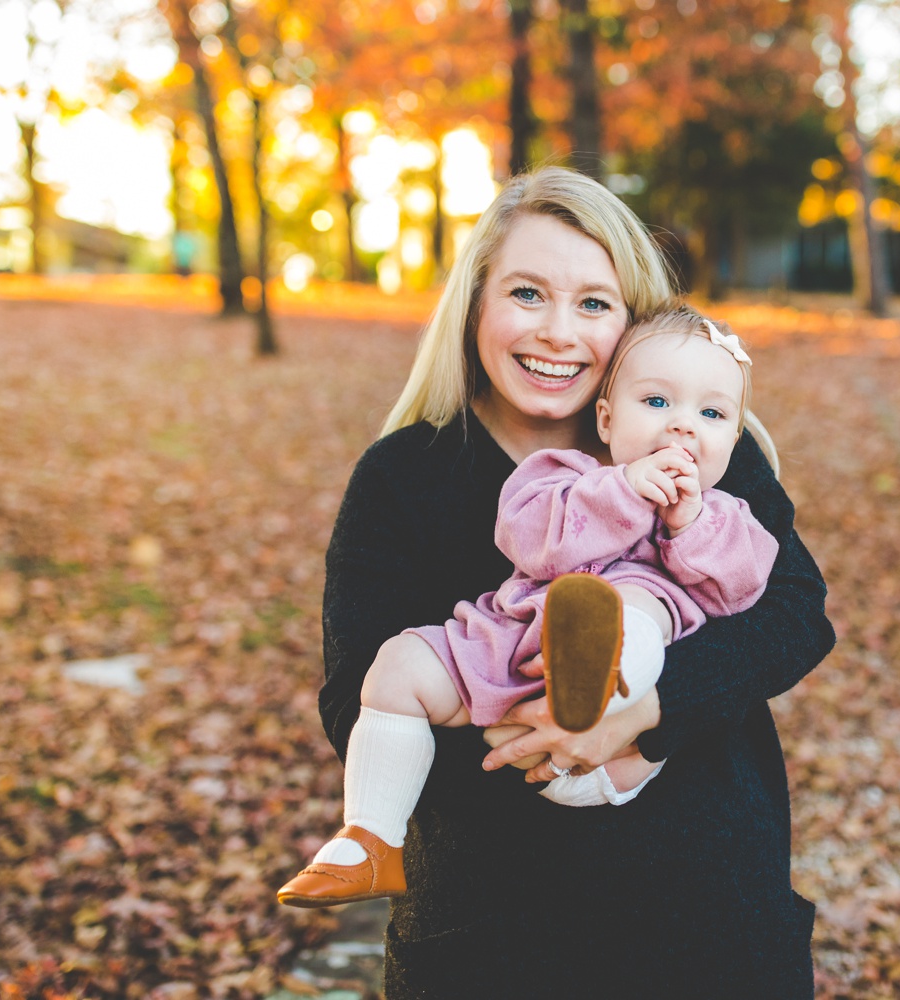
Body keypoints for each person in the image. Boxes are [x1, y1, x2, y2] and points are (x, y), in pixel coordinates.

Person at [315, 167, 835, 997]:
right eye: (527, 293)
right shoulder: (405, 476)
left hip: (707, 924)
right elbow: (354, 700)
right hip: (492, 944)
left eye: (594, 303)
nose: (559, 333)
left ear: (633, 320)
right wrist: (549, 746)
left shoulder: (697, 446)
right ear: (476, 304)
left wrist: (646, 714)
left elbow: (797, 615)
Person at [278, 306, 782, 907]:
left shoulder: (726, 514)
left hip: (615, 728)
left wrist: (687, 522)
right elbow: (532, 542)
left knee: (632, 606)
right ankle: (369, 839)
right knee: (396, 664)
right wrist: (622, 492)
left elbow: (742, 591)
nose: (682, 428)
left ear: (734, 437)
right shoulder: (559, 477)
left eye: (712, 414)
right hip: (507, 645)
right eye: (655, 403)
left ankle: (595, 683)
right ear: (606, 414)